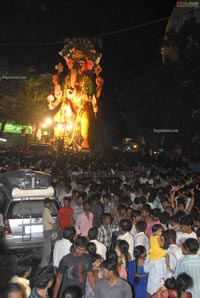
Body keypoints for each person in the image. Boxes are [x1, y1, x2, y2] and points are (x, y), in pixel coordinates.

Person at [41, 198, 56, 268]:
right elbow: (52, 221)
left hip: (47, 231)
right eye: (48, 203)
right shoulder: (46, 211)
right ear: (45, 204)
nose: (49, 205)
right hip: (47, 231)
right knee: (48, 249)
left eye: (49, 203)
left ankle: (44, 263)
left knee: (47, 248)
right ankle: (45, 264)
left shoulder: (46, 211)